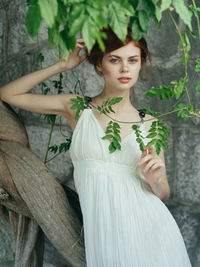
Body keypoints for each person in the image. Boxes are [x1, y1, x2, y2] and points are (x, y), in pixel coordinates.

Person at [0, 26, 192, 266]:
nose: (125, 68)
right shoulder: (78, 109)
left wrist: (155, 179)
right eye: (115, 60)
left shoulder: (151, 126)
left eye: (133, 60)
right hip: (105, 240)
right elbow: (8, 94)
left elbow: (162, 195)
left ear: (140, 64)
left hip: (153, 234)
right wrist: (62, 65)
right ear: (99, 64)